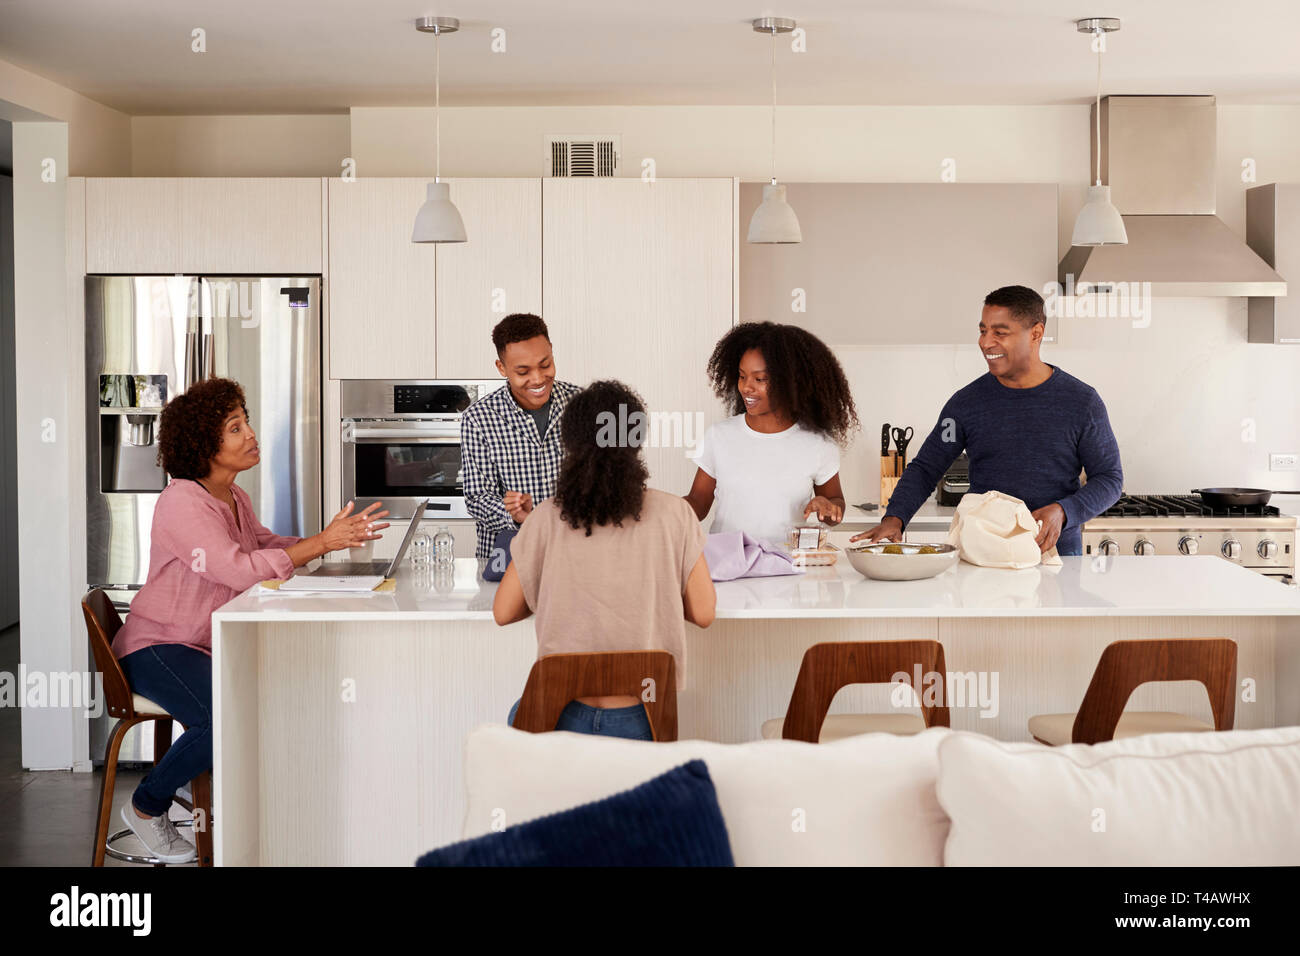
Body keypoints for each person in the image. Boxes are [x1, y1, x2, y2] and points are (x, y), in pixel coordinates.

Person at [110, 377, 389, 863]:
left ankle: (250, 809)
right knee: (224, 713)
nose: (251, 434)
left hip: (201, 642)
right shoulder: (182, 501)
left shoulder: (233, 497)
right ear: (205, 444)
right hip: (157, 646)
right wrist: (321, 545)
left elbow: (261, 546)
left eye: (246, 422)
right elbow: (236, 569)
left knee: (258, 698)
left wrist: (327, 538)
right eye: (235, 428)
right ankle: (146, 807)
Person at [493, 380, 716, 739]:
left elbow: (504, 612)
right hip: (642, 717)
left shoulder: (546, 517)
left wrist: (549, 594)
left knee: (516, 717)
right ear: (636, 440)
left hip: (559, 716)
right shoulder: (676, 513)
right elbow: (704, 613)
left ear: (569, 442)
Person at [852, 285, 1122, 556]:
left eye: (999, 333)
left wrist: (1064, 511)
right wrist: (894, 518)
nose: (985, 342)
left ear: (1036, 333)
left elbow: (1109, 478)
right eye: (983, 331)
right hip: (984, 557)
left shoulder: (1082, 402)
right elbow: (926, 468)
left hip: (1055, 556)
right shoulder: (966, 403)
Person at [684, 322, 859, 546]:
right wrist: (664, 508)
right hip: (729, 564)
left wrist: (828, 508)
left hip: (787, 564)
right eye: (742, 376)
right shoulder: (719, 436)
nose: (746, 387)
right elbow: (698, 503)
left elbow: (834, 505)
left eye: (760, 379)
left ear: (791, 383)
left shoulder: (817, 444)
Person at [460, 313, 580, 561]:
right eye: (523, 371)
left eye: (545, 365)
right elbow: (477, 498)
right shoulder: (478, 418)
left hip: (572, 557)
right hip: (508, 558)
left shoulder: (582, 405)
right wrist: (512, 513)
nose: (537, 379)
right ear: (501, 368)